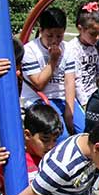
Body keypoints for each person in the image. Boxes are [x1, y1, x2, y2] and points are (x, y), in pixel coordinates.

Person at [21, 7, 69, 141]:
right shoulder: (30, 50)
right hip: (38, 99)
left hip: (60, 97)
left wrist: (70, 115)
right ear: (41, 31)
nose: (54, 40)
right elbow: (39, 83)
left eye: (59, 36)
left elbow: (69, 81)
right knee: (61, 137)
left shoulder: (67, 48)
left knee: (83, 128)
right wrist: (53, 60)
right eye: (50, 36)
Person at [63, 3, 99, 134]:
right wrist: (84, 102)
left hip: (93, 93)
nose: (97, 37)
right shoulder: (72, 48)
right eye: (93, 34)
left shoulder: (94, 46)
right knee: (85, 129)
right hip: (80, 98)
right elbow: (75, 79)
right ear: (80, 28)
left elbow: (96, 71)